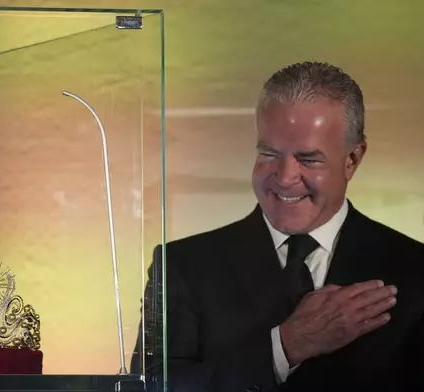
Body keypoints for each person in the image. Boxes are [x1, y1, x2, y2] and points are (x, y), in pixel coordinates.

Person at [131, 61, 424, 392]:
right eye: (268, 153)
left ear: (352, 159)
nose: (284, 178)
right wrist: (285, 346)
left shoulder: (415, 270)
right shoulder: (181, 267)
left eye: (308, 159)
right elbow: (151, 388)